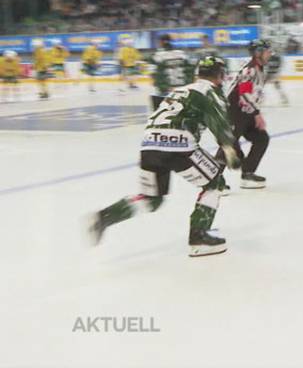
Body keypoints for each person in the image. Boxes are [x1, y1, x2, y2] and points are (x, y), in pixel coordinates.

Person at [87, 56, 242, 257]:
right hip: (179, 144)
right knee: (214, 184)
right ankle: (199, 236)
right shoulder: (210, 92)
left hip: (149, 144)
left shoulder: (180, 90)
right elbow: (219, 124)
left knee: (152, 199)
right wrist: (230, 150)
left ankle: (105, 217)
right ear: (221, 75)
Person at [216, 39, 271, 189]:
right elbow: (244, 93)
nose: (270, 54)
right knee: (228, 147)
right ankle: (213, 182)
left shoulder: (259, 69)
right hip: (233, 112)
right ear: (258, 53)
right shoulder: (250, 69)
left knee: (261, 138)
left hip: (245, 113)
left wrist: (254, 114)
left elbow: (252, 95)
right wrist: (257, 113)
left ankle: (247, 173)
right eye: (267, 51)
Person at [148, 34, 194, 111]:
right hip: (184, 89)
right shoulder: (182, 54)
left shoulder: (156, 56)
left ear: (161, 42)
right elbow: (191, 70)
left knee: (164, 116)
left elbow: (154, 74)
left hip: (167, 91)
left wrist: (162, 87)